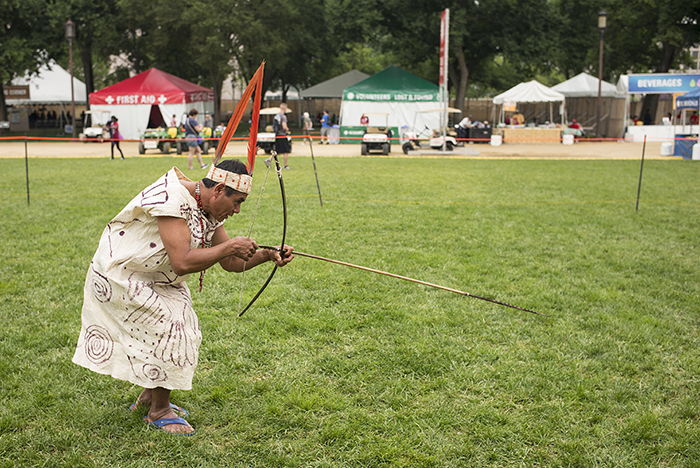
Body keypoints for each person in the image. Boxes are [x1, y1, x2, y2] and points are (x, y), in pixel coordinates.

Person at [72, 159, 294, 436]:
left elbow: (230, 263)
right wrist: (230, 247)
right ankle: (159, 412)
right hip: (122, 275)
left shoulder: (209, 209)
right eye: (236, 202)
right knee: (174, 328)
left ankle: (151, 396)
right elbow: (183, 263)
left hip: (157, 277)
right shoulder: (172, 198)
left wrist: (266, 255)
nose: (237, 210)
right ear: (218, 190)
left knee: (180, 326)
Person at [265, 103, 291, 169]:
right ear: (285, 108)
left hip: (277, 135)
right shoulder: (283, 116)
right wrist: (287, 129)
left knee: (277, 150)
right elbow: (284, 126)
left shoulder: (277, 116)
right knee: (286, 151)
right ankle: (285, 165)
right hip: (282, 135)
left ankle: (269, 160)